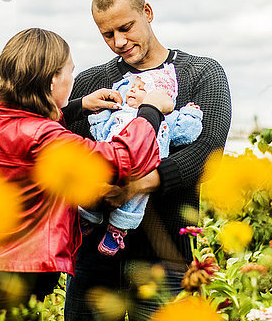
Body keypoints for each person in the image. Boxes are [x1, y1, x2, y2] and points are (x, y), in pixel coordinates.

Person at [0, 27, 173, 321]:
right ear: (52, 81)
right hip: (10, 292)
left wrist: (79, 105)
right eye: (70, 72)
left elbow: (30, 134)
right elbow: (122, 159)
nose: (72, 78)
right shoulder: (45, 136)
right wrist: (150, 110)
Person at [65, 0, 232, 321]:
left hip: (167, 256)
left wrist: (138, 185)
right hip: (94, 256)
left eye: (126, 28)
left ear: (148, 13)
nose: (119, 41)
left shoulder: (201, 73)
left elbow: (209, 153)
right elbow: (64, 147)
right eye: (107, 34)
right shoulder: (93, 82)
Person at [78, 64, 204, 256]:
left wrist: (191, 114)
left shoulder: (165, 119)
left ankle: (118, 230)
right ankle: (88, 217)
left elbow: (187, 132)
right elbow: (101, 132)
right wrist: (98, 115)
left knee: (136, 199)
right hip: (111, 161)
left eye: (142, 88)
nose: (133, 90)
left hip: (144, 169)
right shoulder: (119, 113)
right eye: (133, 86)